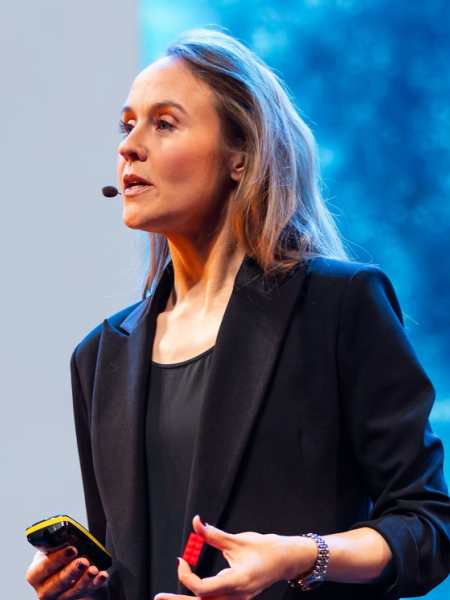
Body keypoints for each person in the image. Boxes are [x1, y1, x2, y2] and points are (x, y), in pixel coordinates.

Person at [26, 28, 450, 600]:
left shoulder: (338, 305)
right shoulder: (99, 356)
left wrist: (304, 554)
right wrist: (80, 590)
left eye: (164, 123)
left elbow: (429, 526)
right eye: (127, 126)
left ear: (241, 156)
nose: (129, 147)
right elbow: (127, 570)